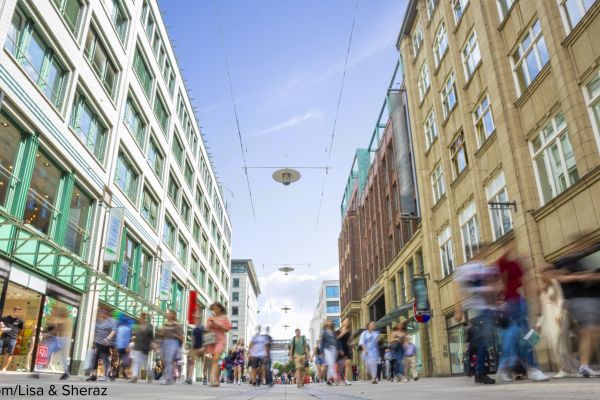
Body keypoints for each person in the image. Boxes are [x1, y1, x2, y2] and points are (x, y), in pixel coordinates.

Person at [546, 238, 600, 377]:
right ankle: (582, 364)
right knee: (590, 330)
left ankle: (583, 364)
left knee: (591, 331)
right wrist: (582, 276)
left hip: (593, 298)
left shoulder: (590, 258)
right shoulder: (568, 260)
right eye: (581, 243)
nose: (584, 247)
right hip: (579, 299)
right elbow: (558, 276)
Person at [496, 247, 549, 382]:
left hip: (519, 302)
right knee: (517, 336)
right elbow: (501, 281)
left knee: (524, 336)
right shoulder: (506, 264)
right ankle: (527, 368)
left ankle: (518, 367)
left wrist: (533, 302)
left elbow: (526, 283)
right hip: (510, 304)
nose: (527, 262)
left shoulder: (516, 266)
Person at [455, 247, 498, 385]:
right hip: (477, 309)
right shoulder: (466, 269)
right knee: (483, 341)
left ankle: (479, 372)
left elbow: (491, 285)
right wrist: (458, 309)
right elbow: (459, 290)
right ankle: (479, 372)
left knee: (483, 341)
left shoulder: (484, 267)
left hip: (486, 308)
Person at [536, 268, 574, 378]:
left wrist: (558, 313)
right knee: (554, 342)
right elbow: (541, 307)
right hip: (548, 317)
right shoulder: (542, 288)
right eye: (543, 274)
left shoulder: (554, 283)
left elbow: (561, 299)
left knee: (561, 341)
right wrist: (539, 322)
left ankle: (565, 368)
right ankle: (564, 367)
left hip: (558, 315)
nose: (545, 275)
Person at [34, 306, 70, 380]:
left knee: (60, 356)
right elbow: (56, 330)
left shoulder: (66, 320)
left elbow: (57, 330)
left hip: (63, 339)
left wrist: (48, 334)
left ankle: (66, 373)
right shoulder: (60, 320)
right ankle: (38, 371)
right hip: (58, 339)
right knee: (48, 353)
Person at [205, 302, 231, 387]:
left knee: (216, 358)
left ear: (220, 308)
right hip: (212, 340)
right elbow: (207, 328)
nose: (215, 310)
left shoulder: (224, 318)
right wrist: (211, 324)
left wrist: (218, 324)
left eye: (216, 308)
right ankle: (217, 381)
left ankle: (213, 380)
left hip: (221, 340)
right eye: (213, 309)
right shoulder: (210, 318)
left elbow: (227, 329)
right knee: (214, 360)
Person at [87, 309, 117, 381]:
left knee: (106, 358)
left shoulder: (112, 321)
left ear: (106, 314)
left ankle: (108, 374)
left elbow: (114, 330)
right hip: (99, 342)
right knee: (96, 357)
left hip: (108, 343)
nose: (100, 315)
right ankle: (94, 375)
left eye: (102, 313)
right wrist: (93, 342)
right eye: (99, 313)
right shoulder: (97, 320)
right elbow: (94, 331)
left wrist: (107, 338)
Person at [156, 309, 183, 385]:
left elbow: (181, 336)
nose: (167, 315)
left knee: (169, 360)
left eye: (169, 313)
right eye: (167, 313)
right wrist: (158, 341)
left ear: (173, 315)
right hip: (164, 343)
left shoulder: (177, 324)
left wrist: (179, 347)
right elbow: (161, 333)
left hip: (173, 342)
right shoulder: (165, 324)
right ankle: (169, 377)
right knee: (164, 360)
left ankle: (168, 378)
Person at [129, 312, 154, 383]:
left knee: (145, 364)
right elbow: (135, 337)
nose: (141, 319)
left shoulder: (149, 326)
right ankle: (134, 377)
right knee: (136, 362)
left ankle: (149, 375)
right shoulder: (138, 327)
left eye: (143, 317)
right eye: (140, 317)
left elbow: (152, 337)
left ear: (145, 318)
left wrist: (152, 345)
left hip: (145, 347)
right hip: (137, 346)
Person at [0, 307, 24, 372]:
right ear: (14, 311)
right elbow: (1, 324)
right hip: (3, 337)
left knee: (9, 353)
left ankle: (4, 368)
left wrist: (16, 336)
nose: (19, 313)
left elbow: (21, 330)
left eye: (20, 312)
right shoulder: (5, 318)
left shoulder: (20, 321)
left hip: (13, 338)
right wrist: (2, 328)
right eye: (18, 311)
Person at [185, 313, 205, 384]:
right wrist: (190, 348)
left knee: (203, 363)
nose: (196, 319)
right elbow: (192, 339)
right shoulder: (195, 329)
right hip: (194, 348)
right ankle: (189, 378)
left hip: (202, 347)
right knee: (191, 362)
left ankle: (204, 377)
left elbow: (205, 338)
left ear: (200, 319)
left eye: (198, 318)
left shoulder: (202, 328)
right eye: (196, 318)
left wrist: (204, 347)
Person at [321, 320, 338, 385]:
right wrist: (322, 352)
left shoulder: (334, 332)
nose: (330, 322)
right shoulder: (324, 332)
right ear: (326, 323)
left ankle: (328, 379)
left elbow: (337, 341)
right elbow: (322, 342)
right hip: (327, 349)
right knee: (331, 363)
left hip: (334, 349)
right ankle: (335, 377)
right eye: (328, 321)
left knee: (331, 364)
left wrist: (339, 349)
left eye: (331, 321)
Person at [115, 315, 132, 379]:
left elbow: (117, 337)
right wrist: (128, 346)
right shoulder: (128, 328)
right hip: (125, 347)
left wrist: (116, 345)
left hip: (120, 346)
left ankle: (118, 373)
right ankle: (122, 372)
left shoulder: (119, 328)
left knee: (120, 359)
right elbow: (128, 338)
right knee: (125, 360)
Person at [336, 318, 352, 385]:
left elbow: (348, 339)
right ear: (343, 322)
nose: (346, 321)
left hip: (345, 347)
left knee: (348, 363)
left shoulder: (348, 330)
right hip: (339, 348)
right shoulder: (338, 330)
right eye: (345, 320)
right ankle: (337, 379)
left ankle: (346, 379)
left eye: (348, 321)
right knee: (337, 366)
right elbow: (337, 338)